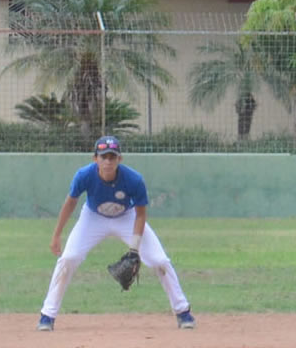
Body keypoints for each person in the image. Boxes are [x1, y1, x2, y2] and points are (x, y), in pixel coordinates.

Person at [39, 134, 193, 331]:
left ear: (120, 159)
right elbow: (70, 204)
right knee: (69, 258)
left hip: (126, 217)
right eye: (103, 156)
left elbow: (140, 215)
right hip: (92, 217)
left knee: (159, 260)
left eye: (112, 157)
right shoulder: (84, 175)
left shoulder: (133, 179)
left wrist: (134, 249)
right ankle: (47, 315)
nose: (108, 161)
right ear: (95, 158)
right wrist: (56, 235)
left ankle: (183, 312)